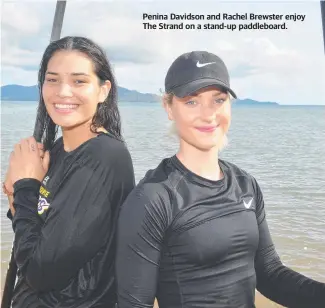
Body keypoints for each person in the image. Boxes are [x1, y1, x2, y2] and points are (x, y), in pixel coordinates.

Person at [115, 51, 325, 308]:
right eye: (192, 102)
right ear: (169, 107)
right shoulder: (152, 199)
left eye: (218, 100)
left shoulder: (245, 184)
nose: (208, 114)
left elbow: (270, 275)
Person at [3, 36, 135, 308]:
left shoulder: (103, 158)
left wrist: (26, 187)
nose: (63, 92)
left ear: (103, 90)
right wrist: (16, 192)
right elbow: (35, 231)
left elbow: (41, 270)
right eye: (52, 80)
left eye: (79, 81)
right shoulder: (59, 149)